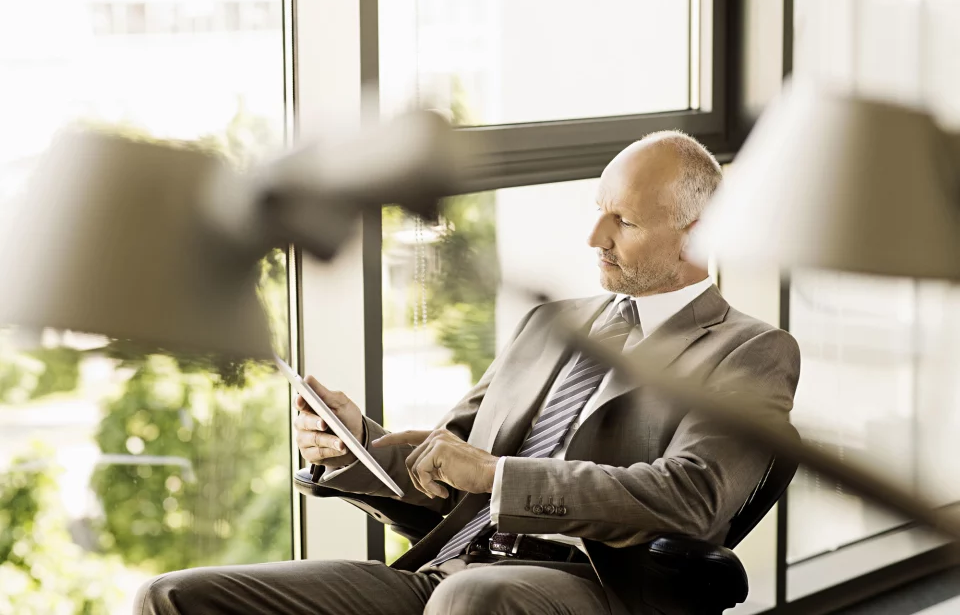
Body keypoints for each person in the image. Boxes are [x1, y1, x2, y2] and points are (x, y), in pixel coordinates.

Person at [136, 131, 801, 615]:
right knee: (174, 598)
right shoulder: (551, 325)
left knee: (471, 596)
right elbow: (447, 470)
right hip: (451, 571)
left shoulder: (750, 350)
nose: (594, 236)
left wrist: (500, 477)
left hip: (597, 589)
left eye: (622, 220)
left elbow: (689, 499)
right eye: (597, 209)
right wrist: (357, 445)